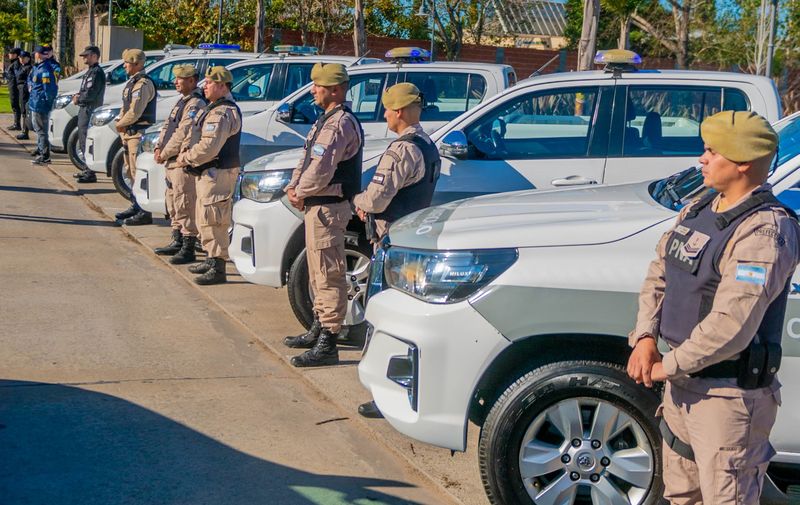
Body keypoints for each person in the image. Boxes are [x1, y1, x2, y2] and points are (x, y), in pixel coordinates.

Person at [626, 110, 800, 504]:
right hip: (683, 388)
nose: (702, 159)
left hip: (728, 399)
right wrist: (645, 337)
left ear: (742, 163)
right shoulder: (700, 208)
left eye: (711, 151)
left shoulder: (765, 231)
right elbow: (661, 272)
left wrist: (664, 367)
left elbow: (731, 326)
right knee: (681, 496)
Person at [282, 63, 363, 368]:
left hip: (329, 207)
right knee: (317, 272)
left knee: (329, 274)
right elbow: (306, 160)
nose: (313, 90)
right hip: (317, 205)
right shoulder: (325, 120)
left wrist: (299, 191)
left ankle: (329, 341)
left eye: (318, 85)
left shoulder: (340, 123)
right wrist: (295, 187)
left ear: (335, 89)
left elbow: (321, 169)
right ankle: (318, 328)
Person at [175, 66, 241, 285]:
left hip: (218, 172)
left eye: (210, 83)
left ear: (222, 86)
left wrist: (186, 157)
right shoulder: (214, 108)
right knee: (205, 217)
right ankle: (210, 256)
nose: (204, 86)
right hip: (209, 172)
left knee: (215, 219)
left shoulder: (222, 112)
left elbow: (208, 147)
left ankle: (218, 265)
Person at [353, 82, 440, 246]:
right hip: (413, 233)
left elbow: (375, 201)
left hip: (392, 238)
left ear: (398, 111)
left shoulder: (401, 150)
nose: (385, 115)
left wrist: (356, 200)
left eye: (387, 109)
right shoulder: (427, 143)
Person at [152, 64, 206, 263]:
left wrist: (164, 153)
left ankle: (188, 245)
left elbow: (183, 132)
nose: (176, 82)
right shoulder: (182, 101)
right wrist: (159, 147)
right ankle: (177, 238)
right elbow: (168, 126)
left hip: (181, 162)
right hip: (171, 161)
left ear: (192, 81)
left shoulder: (195, 104)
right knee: (173, 203)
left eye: (180, 79)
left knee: (185, 203)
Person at [113, 48, 156, 226]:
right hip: (129, 133)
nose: (124, 66)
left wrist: (120, 124)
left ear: (137, 64)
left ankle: (144, 212)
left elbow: (135, 111)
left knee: (138, 173)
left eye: (127, 63)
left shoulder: (143, 84)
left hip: (138, 132)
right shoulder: (132, 82)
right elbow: (126, 106)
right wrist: (121, 123)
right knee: (130, 172)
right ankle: (135, 204)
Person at [74, 46, 106, 184]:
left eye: (86, 56)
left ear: (94, 56)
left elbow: (91, 93)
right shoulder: (90, 72)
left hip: (89, 108)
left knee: (86, 140)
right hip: (85, 108)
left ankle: (90, 172)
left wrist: (79, 99)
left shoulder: (96, 73)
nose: (84, 58)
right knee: (83, 140)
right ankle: (87, 169)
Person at [27, 45, 58, 165]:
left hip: (41, 104)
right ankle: (41, 152)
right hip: (36, 103)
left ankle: (44, 155)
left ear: (39, 54)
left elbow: (49, 90)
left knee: (41, 130)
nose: (34, 55)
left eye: (36, 53)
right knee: (38, 129)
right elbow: (31, 80)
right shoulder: (38, 67)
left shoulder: (45, 69)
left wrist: (47, 103)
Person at [14, 51, 32, 141]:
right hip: (21, 90)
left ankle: (25, 132)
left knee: (25, 111)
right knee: (23, 110)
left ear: (28, 58)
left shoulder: (29, 68)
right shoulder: (22, 67)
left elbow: (29, 80)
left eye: (23, 57)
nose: (21, 59)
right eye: (20, 58)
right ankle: (24, 131)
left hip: (25, 90)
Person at [5, 47, 22, 130]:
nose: (9, 55)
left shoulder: (16, 64)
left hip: (14, 87)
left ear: (16, 55)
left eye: (11, 53)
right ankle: (16, 123)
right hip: (12, 86)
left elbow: (17, 76)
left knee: (15, 104)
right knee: (14, 104)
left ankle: (17, 124)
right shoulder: (14, 63)